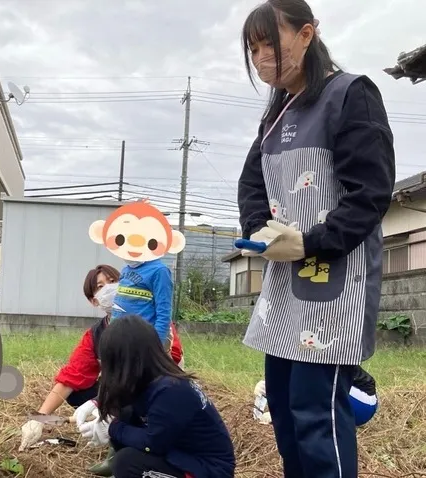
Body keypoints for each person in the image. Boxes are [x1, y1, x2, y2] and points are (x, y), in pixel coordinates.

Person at [237, 1, 395, 477]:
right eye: (254, 48)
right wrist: (261, 233)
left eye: (270, 43)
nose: (262, 57)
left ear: (307, 34)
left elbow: (369, 194)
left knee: (317, 416)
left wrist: (309, 242)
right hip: (284, 281)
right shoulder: (276, 115)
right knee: (284, 412)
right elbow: (251, 185)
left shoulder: (350, 94)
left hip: (335, 280)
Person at [20, 266, 185, 472]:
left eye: (113, 281)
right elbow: (72, 376)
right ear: (94, 301)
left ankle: (124, 441)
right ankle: (114, 432)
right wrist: (39, 419)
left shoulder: (150, 321)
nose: (110, 288)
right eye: (100, 287)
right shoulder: (96, 335)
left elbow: (173, 357)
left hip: (158, 390)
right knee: (80, 392)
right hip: (123, 392)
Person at [76, 316, 235, 478]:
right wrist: (97, 403)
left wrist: (112, 428)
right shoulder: (157, 381)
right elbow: (125, 400)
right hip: (184, 456)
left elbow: (152, 444)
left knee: (127, 463)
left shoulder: (172, 391)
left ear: (125, 361)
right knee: (125, 416)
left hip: (208, 470)